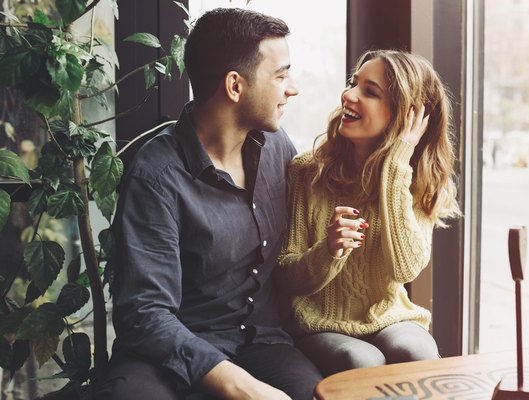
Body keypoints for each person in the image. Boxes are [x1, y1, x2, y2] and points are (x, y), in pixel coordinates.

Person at [97, 8, 322, 400]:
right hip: (169, 354)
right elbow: (145, 314)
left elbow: (332, 187)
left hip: (263, 343)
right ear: (235, 86)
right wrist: (241, 386)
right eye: (281, 74)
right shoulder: (155, 175)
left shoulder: (277, 147)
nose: (292, 88)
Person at [276, 49, 461, 376]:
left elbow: (405, 269)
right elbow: (286, 275)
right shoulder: (306, 172)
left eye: (369, 92)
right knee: (362, 361)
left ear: (407, 115)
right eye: (352, 83)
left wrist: (394, 171)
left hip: (388, 316)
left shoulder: (417, 181)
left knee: (418, 351)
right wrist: (329, 250)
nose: (348, 95)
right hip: (321, 323)